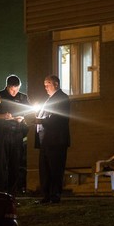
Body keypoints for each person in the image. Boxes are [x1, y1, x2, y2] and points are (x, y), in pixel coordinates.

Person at [0, 75, 30, 195]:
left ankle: (12, 195)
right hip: (2, 133)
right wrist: (2, 116)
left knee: (15, 165)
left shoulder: (23, 97)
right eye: (12, 90)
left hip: (17, 134)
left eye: (17, 89)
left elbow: (31, 113)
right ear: (7, 86)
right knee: (0, 164)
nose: (15, 92)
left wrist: (23, 118)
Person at [35, 75, 70, 204]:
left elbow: (59, 118)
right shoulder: (48, 100)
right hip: (46, 141)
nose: (45, 87)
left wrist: (40, 120)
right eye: (44, 84)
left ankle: (55, 195)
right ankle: (46, 195)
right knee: (45, 169)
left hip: (56, 141)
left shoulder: (62, 98)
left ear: (56, 84)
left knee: (55, 168)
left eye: (48, 84)